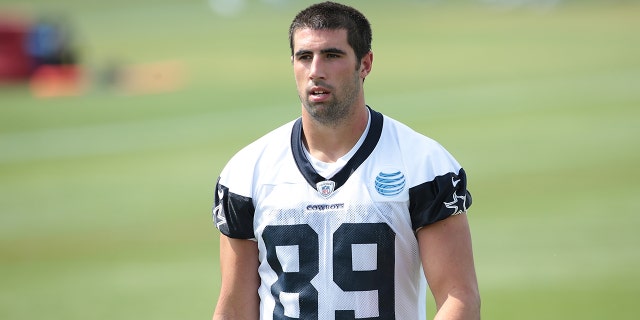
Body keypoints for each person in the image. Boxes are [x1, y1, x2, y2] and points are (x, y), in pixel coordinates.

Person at [211, 2, 480, 319]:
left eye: (332, 55)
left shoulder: (423, 164)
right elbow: (234, 308)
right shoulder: (247, 171)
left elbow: (459, 297)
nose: (315, 71)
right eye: (304, 57)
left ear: (365, 64)